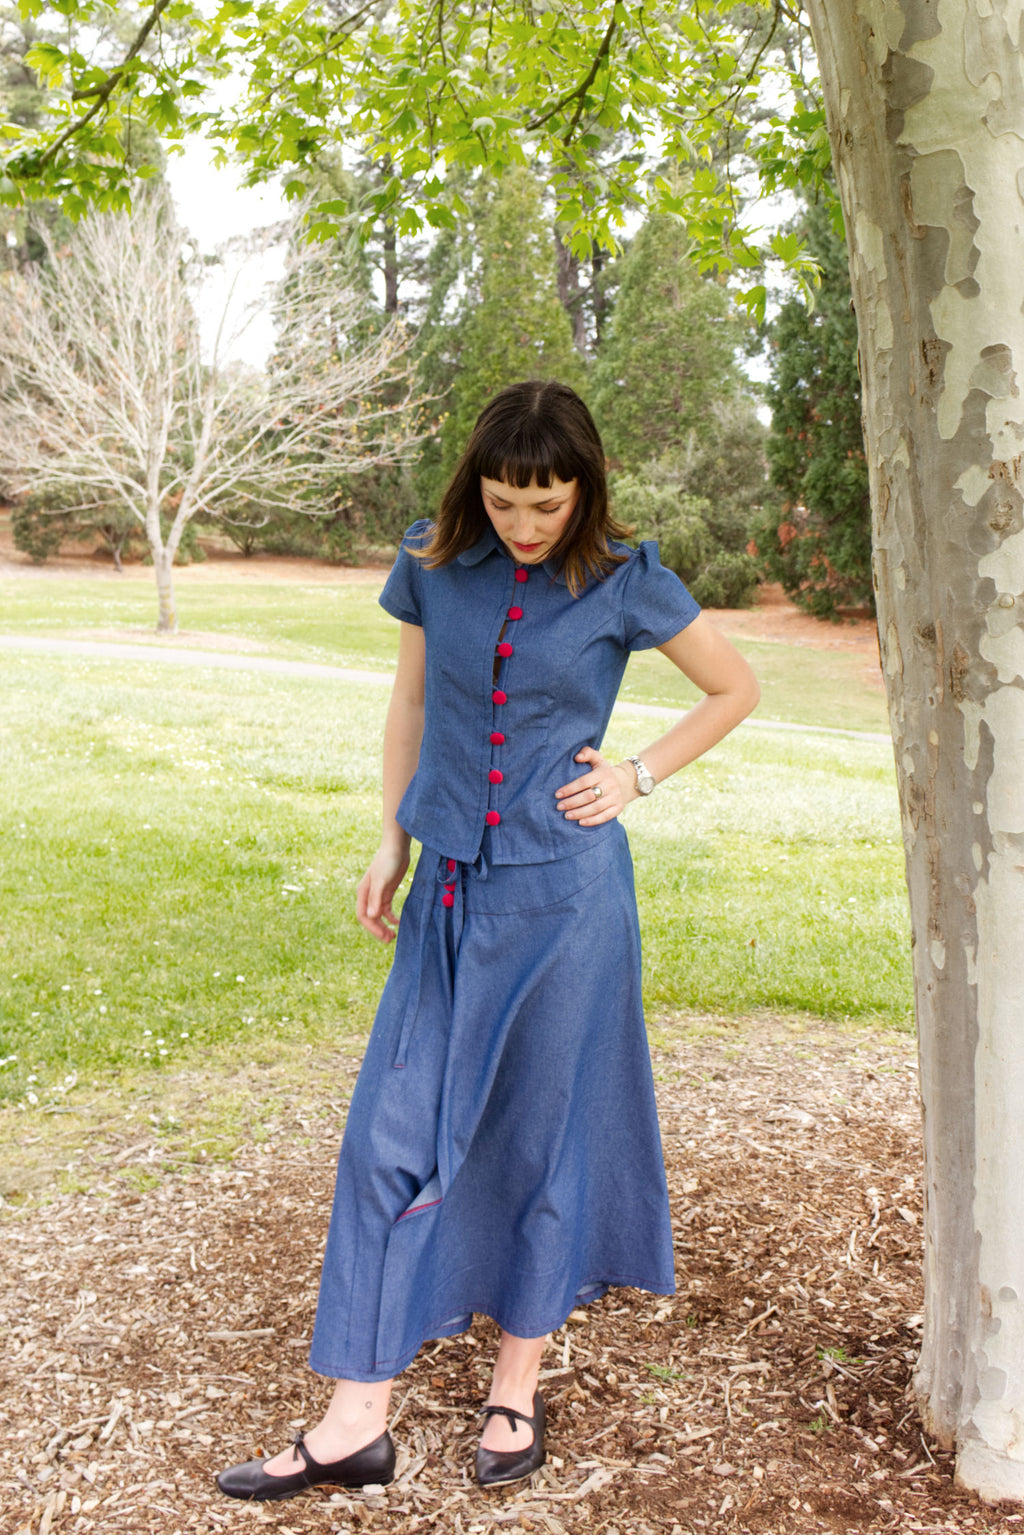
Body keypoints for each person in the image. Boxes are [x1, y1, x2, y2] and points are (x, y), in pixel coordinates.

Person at [216, 380, 759, 1502]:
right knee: (387, 1135)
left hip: (568, 905)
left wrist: (637, 773)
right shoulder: (432, 561)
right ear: (479, 486)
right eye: (507, 501)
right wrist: (391, 835)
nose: (524, 524)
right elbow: (411, 706)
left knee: (541, 1138)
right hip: (448, 895)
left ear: (584, 491)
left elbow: (734, 686)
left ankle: (517, 1385)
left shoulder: (626, 579)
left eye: (547, 505)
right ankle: (354, 1420)